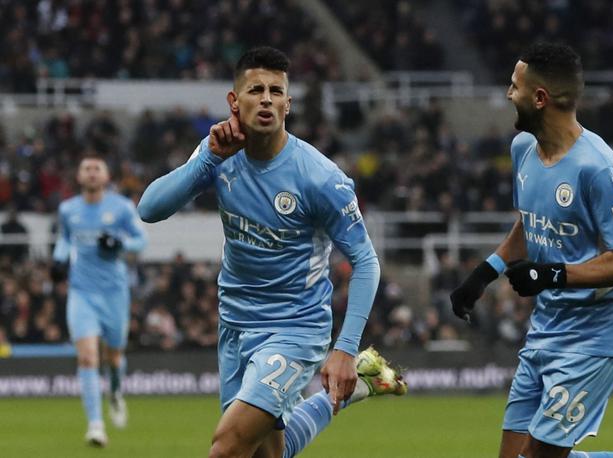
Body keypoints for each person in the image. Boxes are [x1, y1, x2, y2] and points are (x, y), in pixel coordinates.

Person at [138, 46, 406, 458]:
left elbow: (366, 261)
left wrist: (345, 348)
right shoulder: (218, 153)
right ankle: (364, 386)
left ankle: (357, 374)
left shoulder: (319, 178)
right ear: (234, 101)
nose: (266, 98)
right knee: (266, 454)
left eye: (276, 91)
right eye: (256, 89)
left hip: (295, 327)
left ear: (288, 103)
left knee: (227, 447)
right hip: (235, 324)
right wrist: (207, 158)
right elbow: (150, 208)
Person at [450, 43, 613, 458]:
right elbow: (530, 224)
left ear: (540, 98)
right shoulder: (523, 150)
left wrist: (553, 274)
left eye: (514, 86)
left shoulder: (600, 169)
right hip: (546, 327)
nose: (507, 94)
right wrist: (485, 273)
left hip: (597, 333)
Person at [52, 154, 147, 447]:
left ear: (106, 177)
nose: (92, 173)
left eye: (97, 169)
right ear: (79, 177)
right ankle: (95, 425)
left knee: (114, 356)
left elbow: (140, 241)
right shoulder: (68, 209)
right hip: (81, 292)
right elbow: (66, 239)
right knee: (88, 357)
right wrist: (58, 258)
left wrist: (120, 244)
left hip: (114, 293)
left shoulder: (121, 207)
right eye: (86, 169)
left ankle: (116, 393)